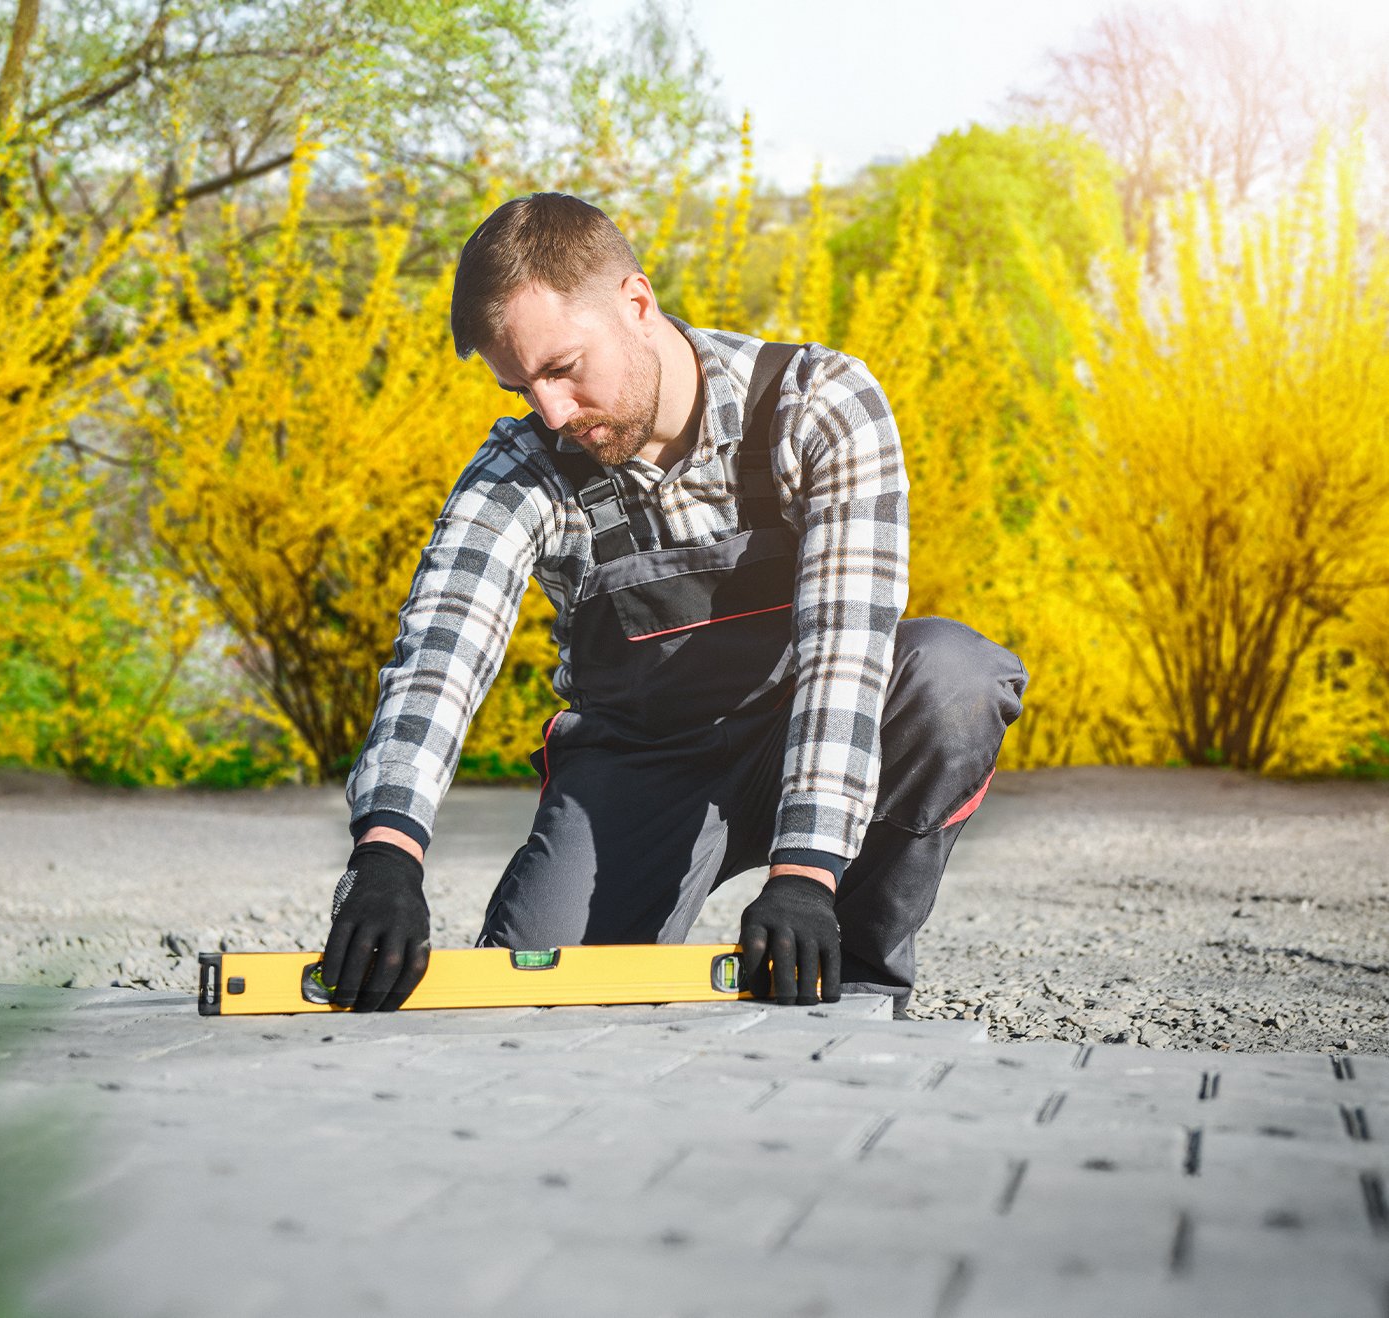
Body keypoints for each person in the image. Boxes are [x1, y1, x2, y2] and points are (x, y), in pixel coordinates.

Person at [319, 193, 1027, 1015]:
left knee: (950, 675)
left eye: (560, 370)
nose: (550, 413)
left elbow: (845, 650)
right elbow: (441, 646)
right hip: (638, 768)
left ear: (636, 303)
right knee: (530, 1000)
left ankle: (858, 979)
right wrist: (387, 850)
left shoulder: (817, 405)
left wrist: (803, 876)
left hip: (811, 733)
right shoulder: (528, 464)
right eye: (520, 386)